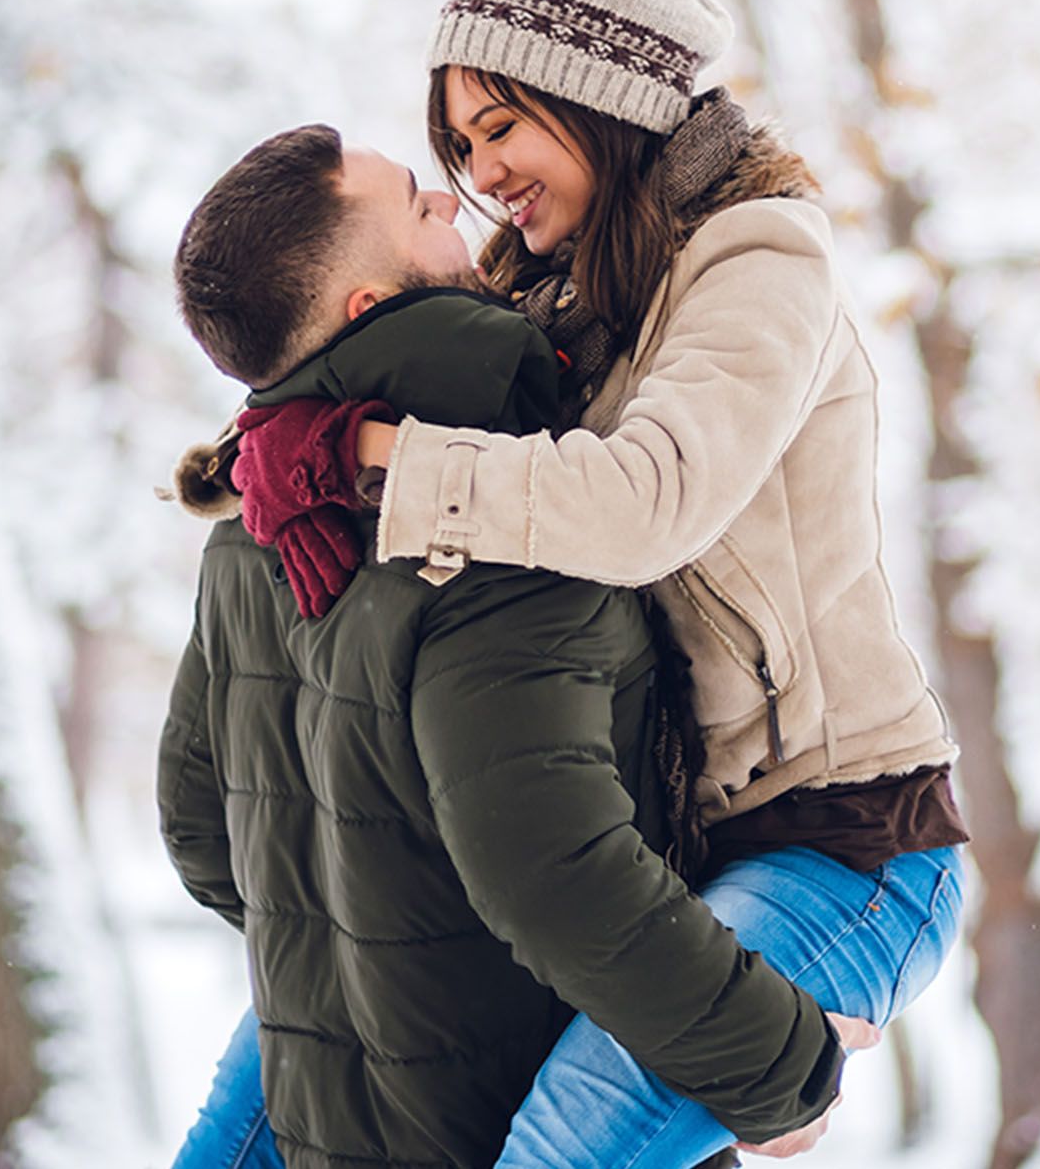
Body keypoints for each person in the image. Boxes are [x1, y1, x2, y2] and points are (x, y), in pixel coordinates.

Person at [212, 0, 974, 1169]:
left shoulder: (756, 253)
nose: (479, 173)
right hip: (647, 858)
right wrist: (258, 457)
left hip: (839, 841)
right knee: (263, 1107)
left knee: (564, 1154)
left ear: (597, 96)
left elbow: (642, 502)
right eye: (457, 149)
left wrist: (370, 458)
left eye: (499, 127)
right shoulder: (536, 296)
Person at [158, 124, 870, 1169]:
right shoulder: (498, 516)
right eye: (416, 204)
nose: (454, 201)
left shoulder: (249, 529)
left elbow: (200, 828)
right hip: (492, 1120)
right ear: (370, 308)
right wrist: (782, 1072)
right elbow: (555, 878)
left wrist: (366, 945)